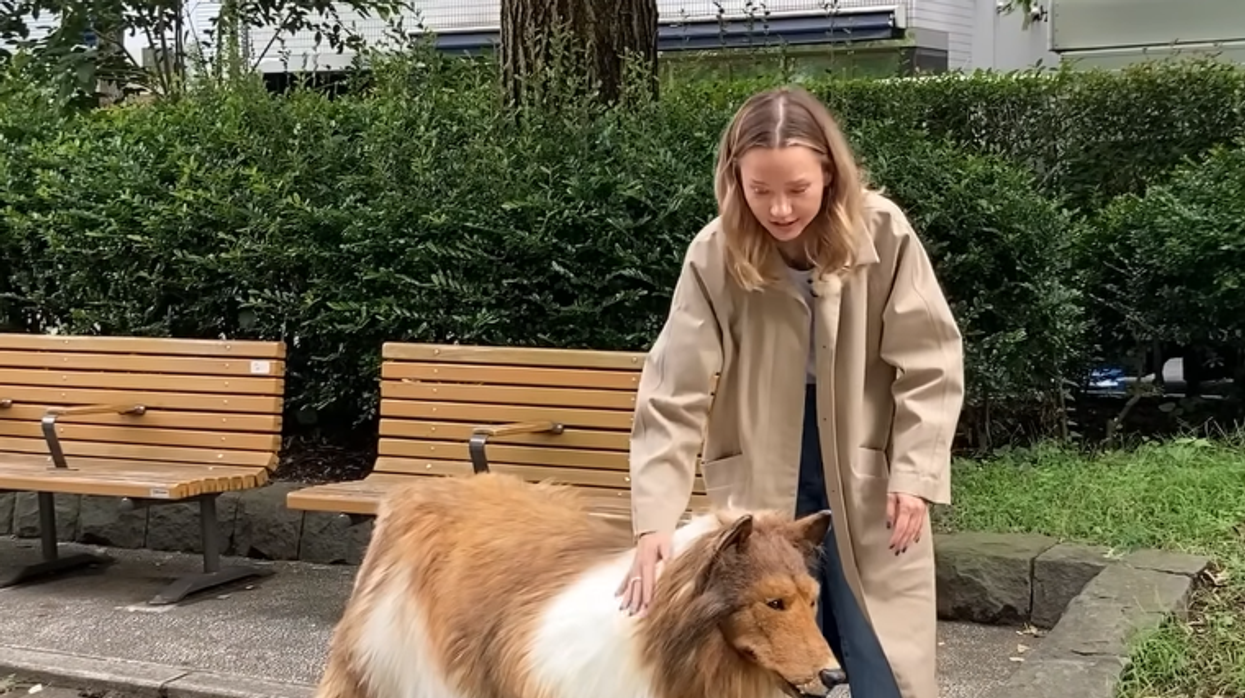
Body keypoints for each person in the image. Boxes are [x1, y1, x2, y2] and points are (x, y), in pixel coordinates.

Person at [614, 85, 964, 698]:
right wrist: (654, 523)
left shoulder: (883, 231)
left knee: (880, 645)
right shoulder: (715, 253)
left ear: (829, 173)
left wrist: (915, 472)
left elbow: (930, 359)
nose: (779, 209)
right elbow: (674, 392)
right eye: (760, 190)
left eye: (797, 188)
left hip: (862, 452)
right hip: (761, 451)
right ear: (734, 179)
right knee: (769, 644)